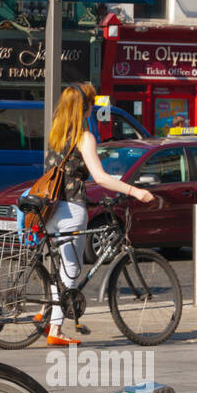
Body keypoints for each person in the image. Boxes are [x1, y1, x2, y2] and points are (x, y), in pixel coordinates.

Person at [42, 81, 155, 347]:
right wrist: (135, 191)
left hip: (49, 208)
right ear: (85, 107)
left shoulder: (56, 135)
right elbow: (101, 178)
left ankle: (48, 312)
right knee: (72, 268)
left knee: (60, 266)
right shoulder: (84, 137)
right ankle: (55, 329)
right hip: (70, 207)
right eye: (91, 104)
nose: (93, 109)